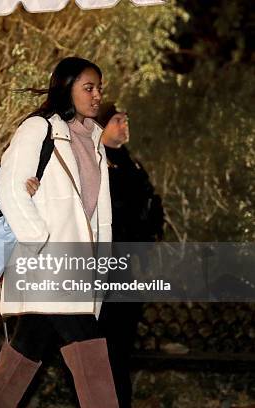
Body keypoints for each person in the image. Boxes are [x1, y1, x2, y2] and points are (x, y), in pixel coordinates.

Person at [0, 57, 120, 408]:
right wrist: (40, 240)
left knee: (29, 344)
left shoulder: (94, 140)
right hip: (48, 260)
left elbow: (93, 213)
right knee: (87, 344)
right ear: (65, 87)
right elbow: (10, 189)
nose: (97, 94)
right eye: (88, 87)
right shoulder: (38, 129)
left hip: (77, 263)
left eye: (99, 87)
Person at [96, 102, 164, 408]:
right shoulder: (95, 163)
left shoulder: (132, 165)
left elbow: (148, 208)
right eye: (117, 120)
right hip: (102, 269)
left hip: (130, 270)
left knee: (121, 349)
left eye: (126, 120)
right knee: (98, 349)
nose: (124, 125)